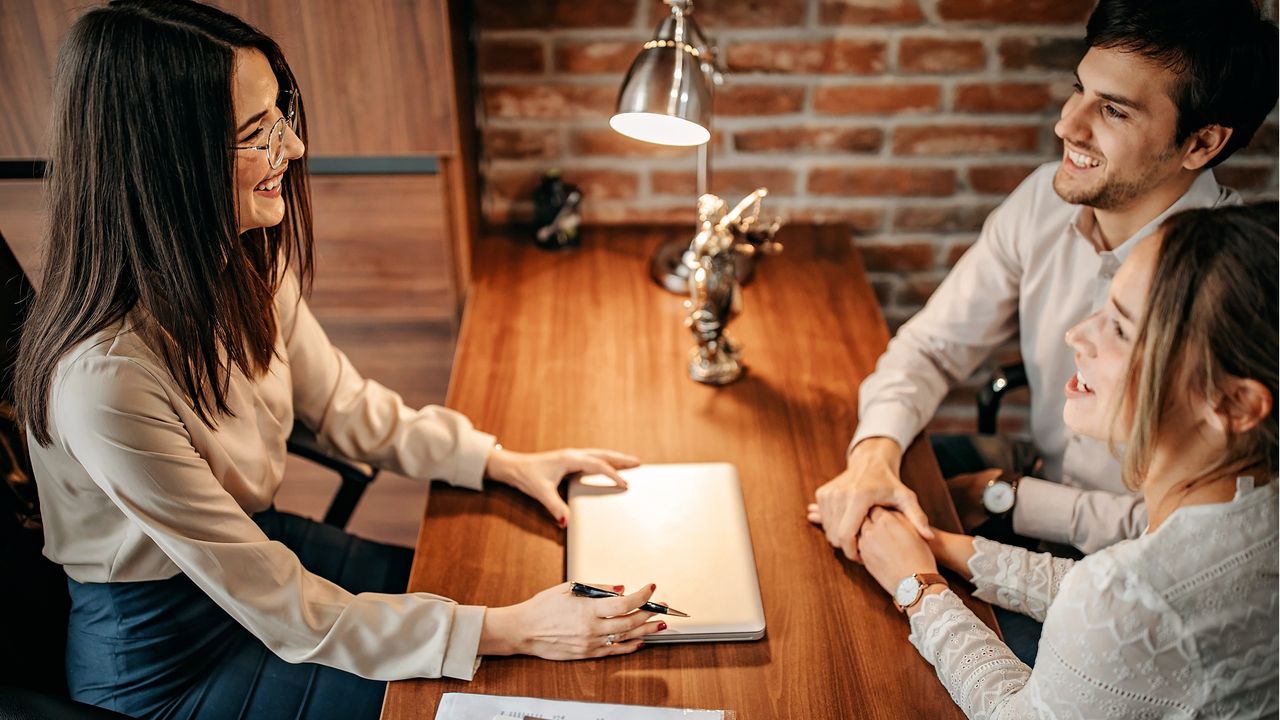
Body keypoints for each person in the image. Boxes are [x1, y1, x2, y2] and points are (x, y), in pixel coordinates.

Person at [13, 2, 664, 718]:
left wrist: (500, 460)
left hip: (259, 555)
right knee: (503, 677)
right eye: (256, 133)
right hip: (169, 658)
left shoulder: (237, 257)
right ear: (165, 163)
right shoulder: (103, 381)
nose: (290, 148)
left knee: (494, 593)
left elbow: (344, 408)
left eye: (280, 115)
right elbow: (282, 605)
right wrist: (511, 629)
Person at [811, 0, 1277, 664]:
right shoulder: (1046, 199)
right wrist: (874, 457)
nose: (1068, 124)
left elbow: (1218, 536)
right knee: (825, 512)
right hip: (1031, 502)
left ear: (1202, 143)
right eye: (1078, 91)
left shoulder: (1237, 286)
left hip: (1131, 571)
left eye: (1113, 110)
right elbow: (932, 346)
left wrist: (1008, 502)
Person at [854, 204, 1279, 717]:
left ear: (1233, 405)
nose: (1077, 334)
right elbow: (1100, 596)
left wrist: (918, 589)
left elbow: (1021, 706)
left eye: (1121, 330)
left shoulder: (1128, 590)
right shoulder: (1254, 505)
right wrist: (941, 546)